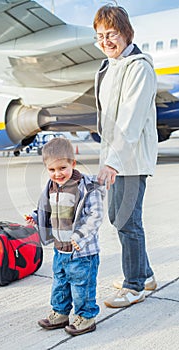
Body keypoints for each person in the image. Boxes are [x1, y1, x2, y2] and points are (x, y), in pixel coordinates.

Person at [93, 4, 158, 308]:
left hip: (130, 159)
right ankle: (144, 274)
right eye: (100, 36)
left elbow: (130, 120)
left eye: (111, 34)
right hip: (116, 158)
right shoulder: (110, 67)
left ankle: (134, 286)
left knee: (128, 221)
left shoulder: (139, 67)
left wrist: (112, 162)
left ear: (126, 33)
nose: (106, 41)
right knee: (116, 217)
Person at [25, 137, 105, 336]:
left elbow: (95, 216)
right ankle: (60, 313)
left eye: (62, 168)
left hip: (81, 251)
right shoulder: (52, 187)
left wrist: (79, 236)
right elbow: (50, 209)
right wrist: (36, 217)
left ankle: (86, 316)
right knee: (60, 282)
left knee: (82, 286)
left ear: (73, 164)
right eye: (52, 170)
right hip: (60, 248)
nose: (57, 174)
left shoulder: (86, 187)